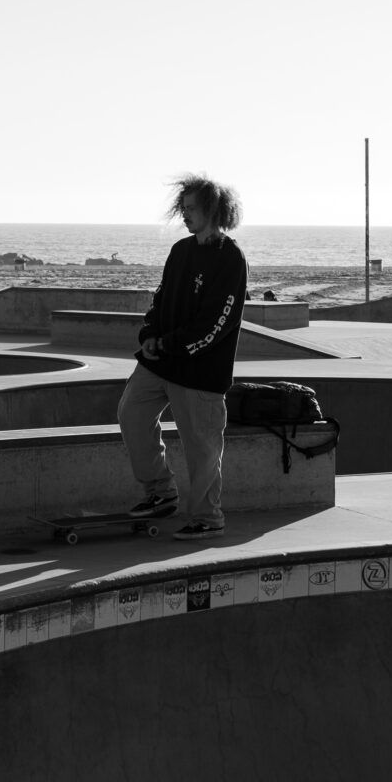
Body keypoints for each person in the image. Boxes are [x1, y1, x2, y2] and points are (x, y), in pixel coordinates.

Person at [120, 174, 248, 543]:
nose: (185, 215)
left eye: (192, 208)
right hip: (160, 361)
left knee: (201, 445)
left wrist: (172, 344)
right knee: (131, 412)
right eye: (183, 208)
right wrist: (149, 336)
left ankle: (208, 518)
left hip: (200, 370)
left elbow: (218, 322)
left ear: (213, 209)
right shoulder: (181, 251)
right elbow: (160, 301)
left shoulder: (230, 259)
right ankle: (160, 491)